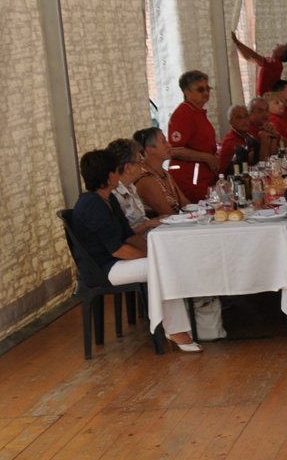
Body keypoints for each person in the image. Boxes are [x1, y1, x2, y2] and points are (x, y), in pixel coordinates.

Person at [69, 149, 197, 351]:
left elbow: (129, 236)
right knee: (163, 268)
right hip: (104, 268)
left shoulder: (108, 199)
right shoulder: (92, 205)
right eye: (116, 171)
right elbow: (118, 250)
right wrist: (153, 258)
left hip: (116, 260)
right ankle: (174, 330)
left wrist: (153, 252)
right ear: (110, 175)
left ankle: (176, 327)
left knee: (164, 263)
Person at [166, 70, 218, 202]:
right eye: (201, 89)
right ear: (187, 92)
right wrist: (207, 157)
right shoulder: (183, 114)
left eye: (208, 89)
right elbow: (174, 150)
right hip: (190, 179)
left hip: (203, 177)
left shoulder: (197, 113)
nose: (206, 93)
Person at [106, 138, 160, 236]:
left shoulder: (130, 187)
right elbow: (122, 236)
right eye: (140, 161)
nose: (143, 165)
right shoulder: (114, 195)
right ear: (128, 168)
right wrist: (148, 224)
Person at [229, 33, 287, 97]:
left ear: (282, 52)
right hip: (263, 97)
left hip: (267, 98)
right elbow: (248, 58)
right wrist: (237, 44)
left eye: (281, 45)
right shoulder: (270, 60)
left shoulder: (276, 64)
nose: (277, 44)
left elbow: (254, 55)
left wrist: (237, 42)